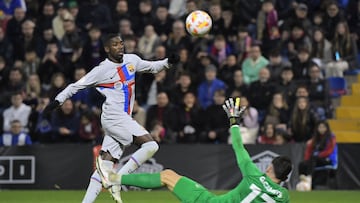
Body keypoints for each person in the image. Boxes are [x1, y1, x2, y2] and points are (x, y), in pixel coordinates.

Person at [42, 34, 179, 203]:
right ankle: (117, 180)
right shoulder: (101, 70)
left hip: (121, 118)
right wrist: (57, 101)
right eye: (115, 44)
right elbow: (75, 86)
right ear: (107, 49)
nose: (120, 46)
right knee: (151, 145)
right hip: (114, 116)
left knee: (103, 167)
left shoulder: (132, 60)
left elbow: (152, 67)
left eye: (121, 43)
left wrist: (168, 62)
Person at [107, 98, 292, 203]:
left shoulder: (253, 175)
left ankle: (114, 178)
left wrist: (234, 120)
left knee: (166, 176)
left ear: (268, 168)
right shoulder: (284, 197)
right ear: (284, 178)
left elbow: (238, 146)